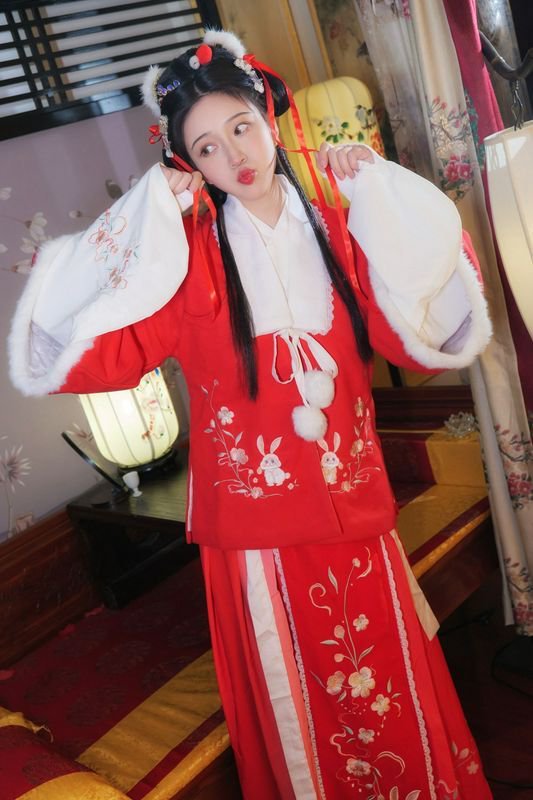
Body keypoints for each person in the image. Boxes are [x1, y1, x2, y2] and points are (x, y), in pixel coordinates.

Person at [8, 29, 493, 800]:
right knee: (298, 710)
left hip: (355, 516)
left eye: (240, 127)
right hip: (255, 537)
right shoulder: (183, 262)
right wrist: (144, 224)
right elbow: (101, 356)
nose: (233, 155)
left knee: (387, 685)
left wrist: (381, 197)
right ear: (188, 165)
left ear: (268, 118)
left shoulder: (340, 232)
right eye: (206, 147)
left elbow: (418, 333)